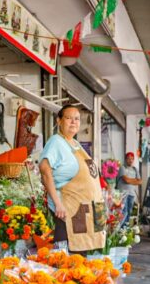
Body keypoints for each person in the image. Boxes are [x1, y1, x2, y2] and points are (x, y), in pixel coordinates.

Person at [39, 105, 106, 253]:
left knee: (79, 256)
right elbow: (45, 170)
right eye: (69, 118)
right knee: (66, 258)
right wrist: (58, 204)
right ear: (59, 121)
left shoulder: (76, 144)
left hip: (82, 211)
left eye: (77, 119)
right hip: (66, 209)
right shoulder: (56, 141)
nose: (73, 122)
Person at [117, 152, 141, 228]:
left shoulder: (135, 169)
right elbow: (126, 180)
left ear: (133, 160)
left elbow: (140, 181)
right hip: (123, 193)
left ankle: (125, 229)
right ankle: (120, 229)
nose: (130, 160)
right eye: (128, 159)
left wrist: (131, 180)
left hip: (131, 194)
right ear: (125, 159)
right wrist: (134, 180)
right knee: (124, 212)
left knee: (129, 212)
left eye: (132, 159)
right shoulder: (122, 168)